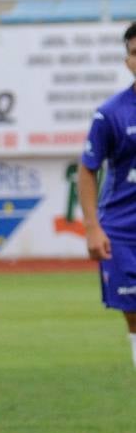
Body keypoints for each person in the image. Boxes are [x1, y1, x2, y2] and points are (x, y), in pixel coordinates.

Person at [78, 21, 136, 370]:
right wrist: (92, 228)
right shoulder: (110, 113)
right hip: (123, 231)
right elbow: (87, 169)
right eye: (133, 53)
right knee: (133, 315)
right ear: (126, 60)